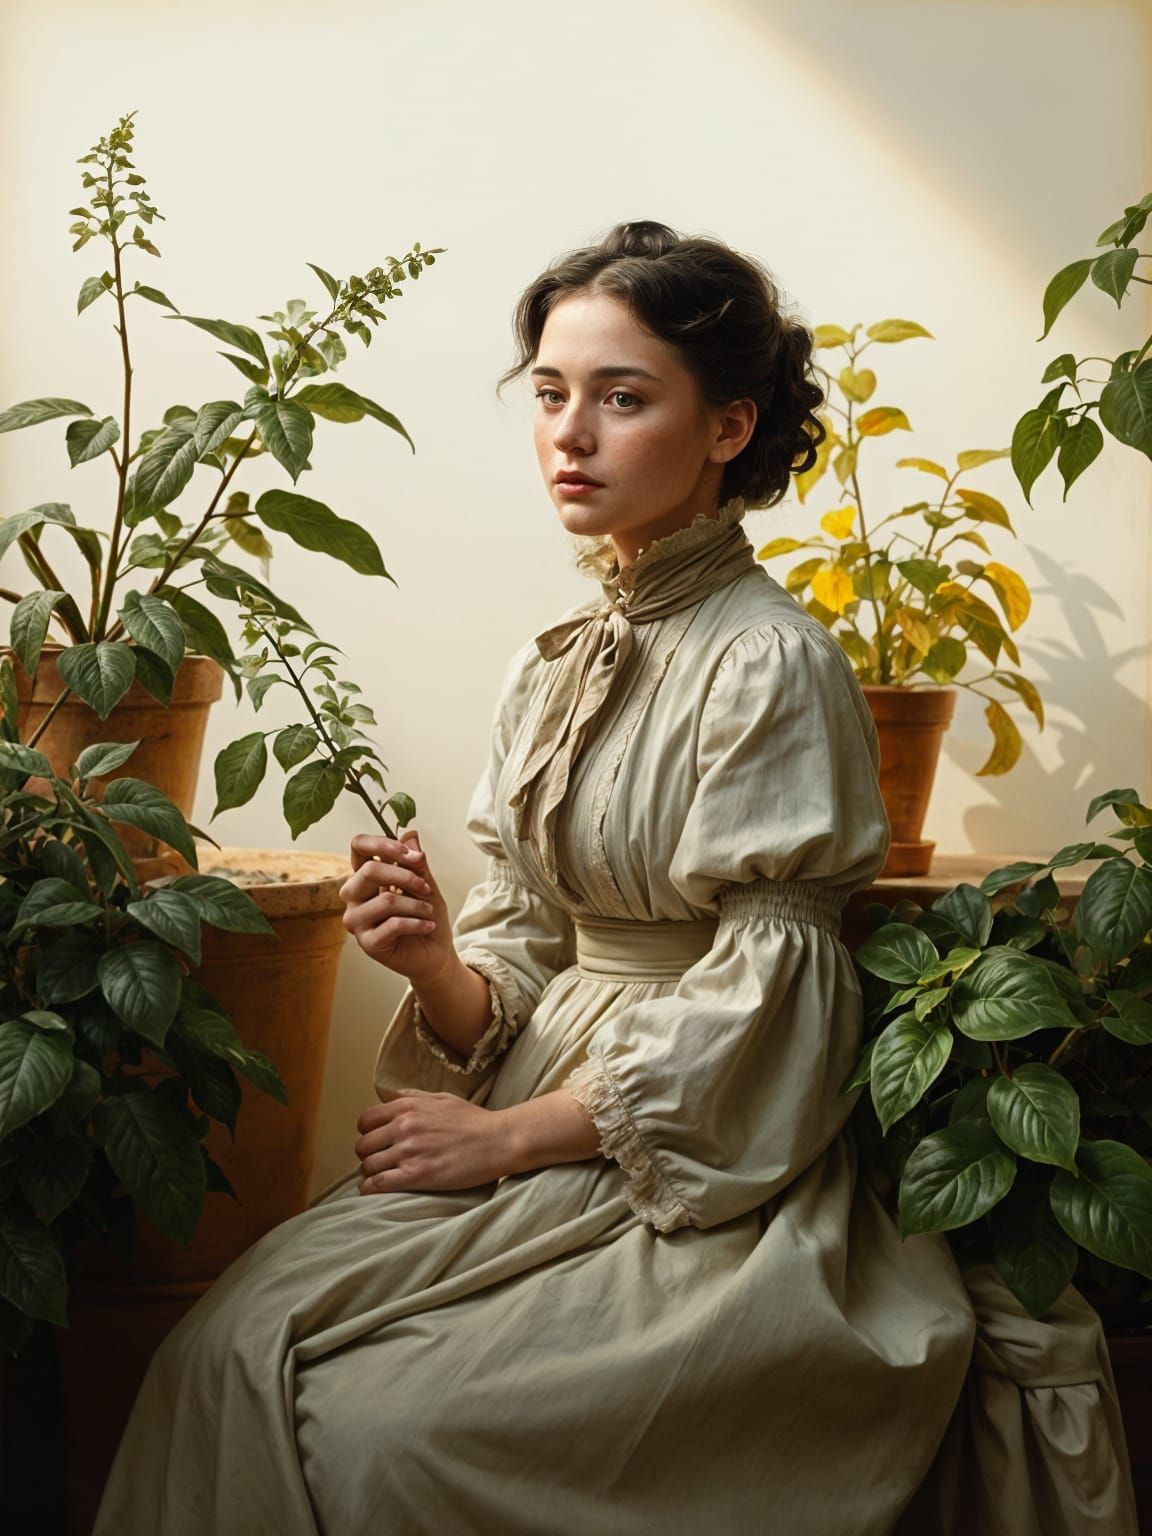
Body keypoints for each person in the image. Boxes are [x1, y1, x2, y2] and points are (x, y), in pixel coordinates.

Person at [94, 220, 1138, 1535]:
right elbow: (527, 952)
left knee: (384, 1440)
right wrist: (433, 964)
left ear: (727, 427)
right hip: (539, 1107)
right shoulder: (553, 662)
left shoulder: (771, 660)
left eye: (621, 397)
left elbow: (775, 994)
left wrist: (506, 1138)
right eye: (548, 393)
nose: (568, 435)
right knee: (222, 1353)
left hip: (713, 1160)